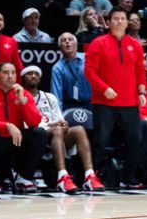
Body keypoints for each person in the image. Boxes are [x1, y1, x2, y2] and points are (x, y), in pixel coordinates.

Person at [84, 8, 147, 188]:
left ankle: (128, 176)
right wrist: (104, 89)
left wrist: (141, 92)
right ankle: (94, 175)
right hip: (104, 101)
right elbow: (89, 71)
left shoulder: (136, 45)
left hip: (130, 101)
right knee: (101, 140)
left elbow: (140, 71)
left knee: (135, 139)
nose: (119, 22)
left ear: (127, 23)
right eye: (115, 19)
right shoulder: (98, 43)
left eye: (122, 19)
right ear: (109, 22)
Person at [0, 62, 48, 194]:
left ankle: (24, 178)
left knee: (39, 133)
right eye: (6, 73)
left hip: (14, 142)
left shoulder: (22, 93)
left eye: (13, 73)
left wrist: (23, 101)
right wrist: (7, 126)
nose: (10, 76)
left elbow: (34, 122)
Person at [22, 65, 100, 194]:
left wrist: (64, 125)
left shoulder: (49, 97)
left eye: (36, 74)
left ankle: (89, 175)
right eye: (29, 74)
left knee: (79, 129)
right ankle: (62, 176)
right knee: (56, 130)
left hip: (55, 135)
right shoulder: (21, 97)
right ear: (23, 78)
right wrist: (52, 126)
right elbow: (24, 124)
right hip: (35, 136)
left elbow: (60, 119)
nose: (33, 76)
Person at [51, 31, 91, 111]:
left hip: (91, 105)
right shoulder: (57, 68)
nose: (67, 42)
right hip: (70, 107)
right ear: (60, 47)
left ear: (76, 44)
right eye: (63, 40)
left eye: (70, 39)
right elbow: (56, 96)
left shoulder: (88, 59)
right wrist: (59, 118)